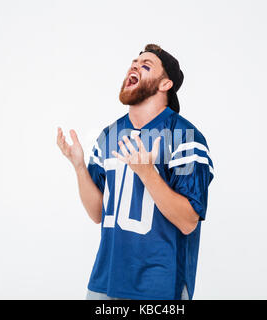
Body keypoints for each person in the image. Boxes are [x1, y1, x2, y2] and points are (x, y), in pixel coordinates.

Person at [57, 44, 214, 300]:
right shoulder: (109, 136)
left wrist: (147, 173)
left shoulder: (184, 137)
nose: (134, 66)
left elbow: (187, 222)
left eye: (145, 65)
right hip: (104, 283)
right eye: (133, 63)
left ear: (165, 84)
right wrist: (78, 167)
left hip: (159, 288)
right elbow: (97, 213)